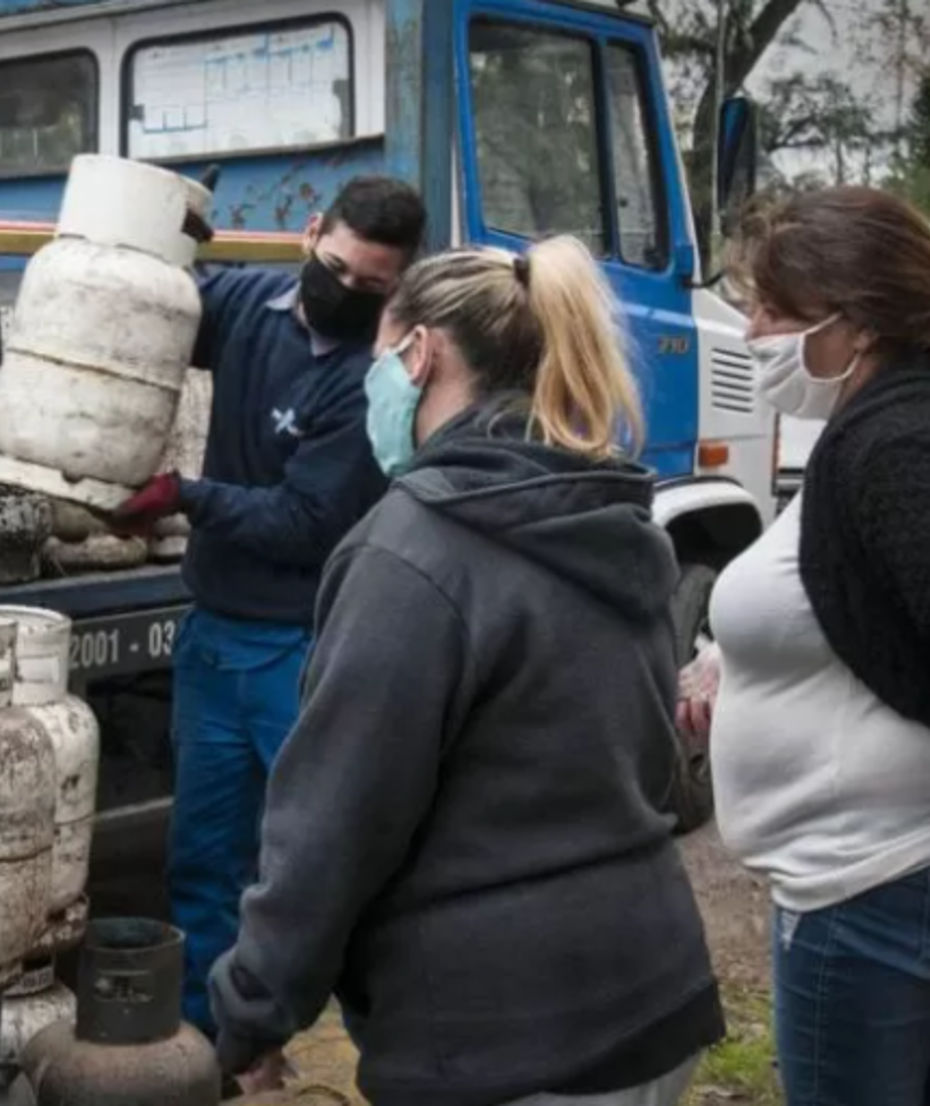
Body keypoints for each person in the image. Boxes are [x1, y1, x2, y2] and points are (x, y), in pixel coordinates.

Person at [206, 237, 727, 1106]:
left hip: (503, 1041)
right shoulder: (611, 513)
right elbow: (646, 764)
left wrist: (252, 1013)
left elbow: (334, 822)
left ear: (419, 354)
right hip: (652, 998)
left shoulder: (413, 550)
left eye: (379, 360)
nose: (373, 384)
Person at [677, 186, 930, 1106]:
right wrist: (733, 665)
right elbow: (877, 603)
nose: (749, 334)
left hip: (871, 890)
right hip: (874, 885)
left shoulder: (903, 438)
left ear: (855, 324)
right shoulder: (903, 420)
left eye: (774, 311)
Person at [109, 175, 429, 1036]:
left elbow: (303, 521)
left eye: (372, 287)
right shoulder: (248, 303)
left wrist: (183, 493)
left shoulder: (371, 382)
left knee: (313, 861)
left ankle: (347, 1033)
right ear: (311, 233)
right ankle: (210, 1042)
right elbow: (156, 311)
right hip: (214, 638)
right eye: (337, 269)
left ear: (397, 285)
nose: (348, 294)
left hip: (301, 647)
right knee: (202, 855)